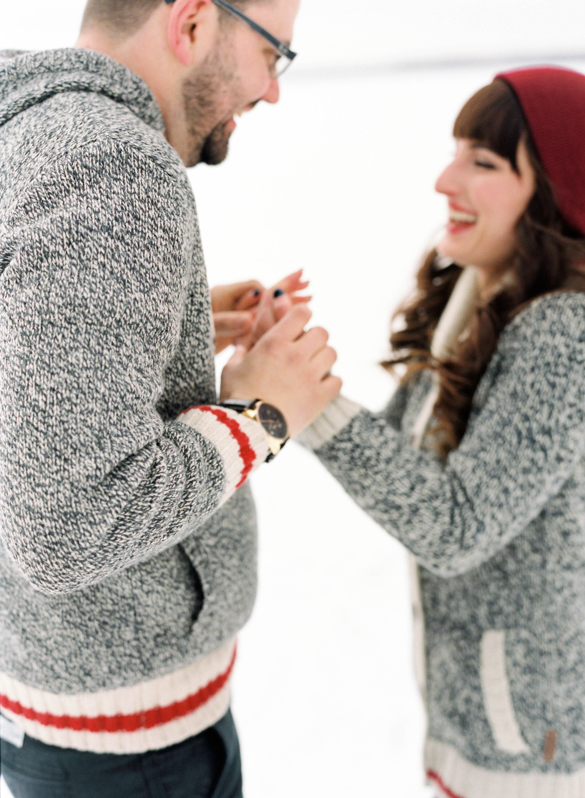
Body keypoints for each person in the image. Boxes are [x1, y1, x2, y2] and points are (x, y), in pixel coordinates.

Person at [0, 0, 341, 796]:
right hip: (134, 748)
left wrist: (163, 330)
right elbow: (62, 530)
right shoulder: (114, 167)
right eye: (272, 54)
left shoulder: (24, 123)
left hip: (54, 696)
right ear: (190, 23)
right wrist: (258, 416)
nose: (273, 90)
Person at [297, 66, 585, 797]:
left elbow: (454, 526)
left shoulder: (564, 329)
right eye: (453, 150)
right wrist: (293, 368)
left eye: (482, 162)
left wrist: (313, 406)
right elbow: (403, 459)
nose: (443, 178)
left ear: (556, 191)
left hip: (530, 750)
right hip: (469, 716)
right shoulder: (478, 293)